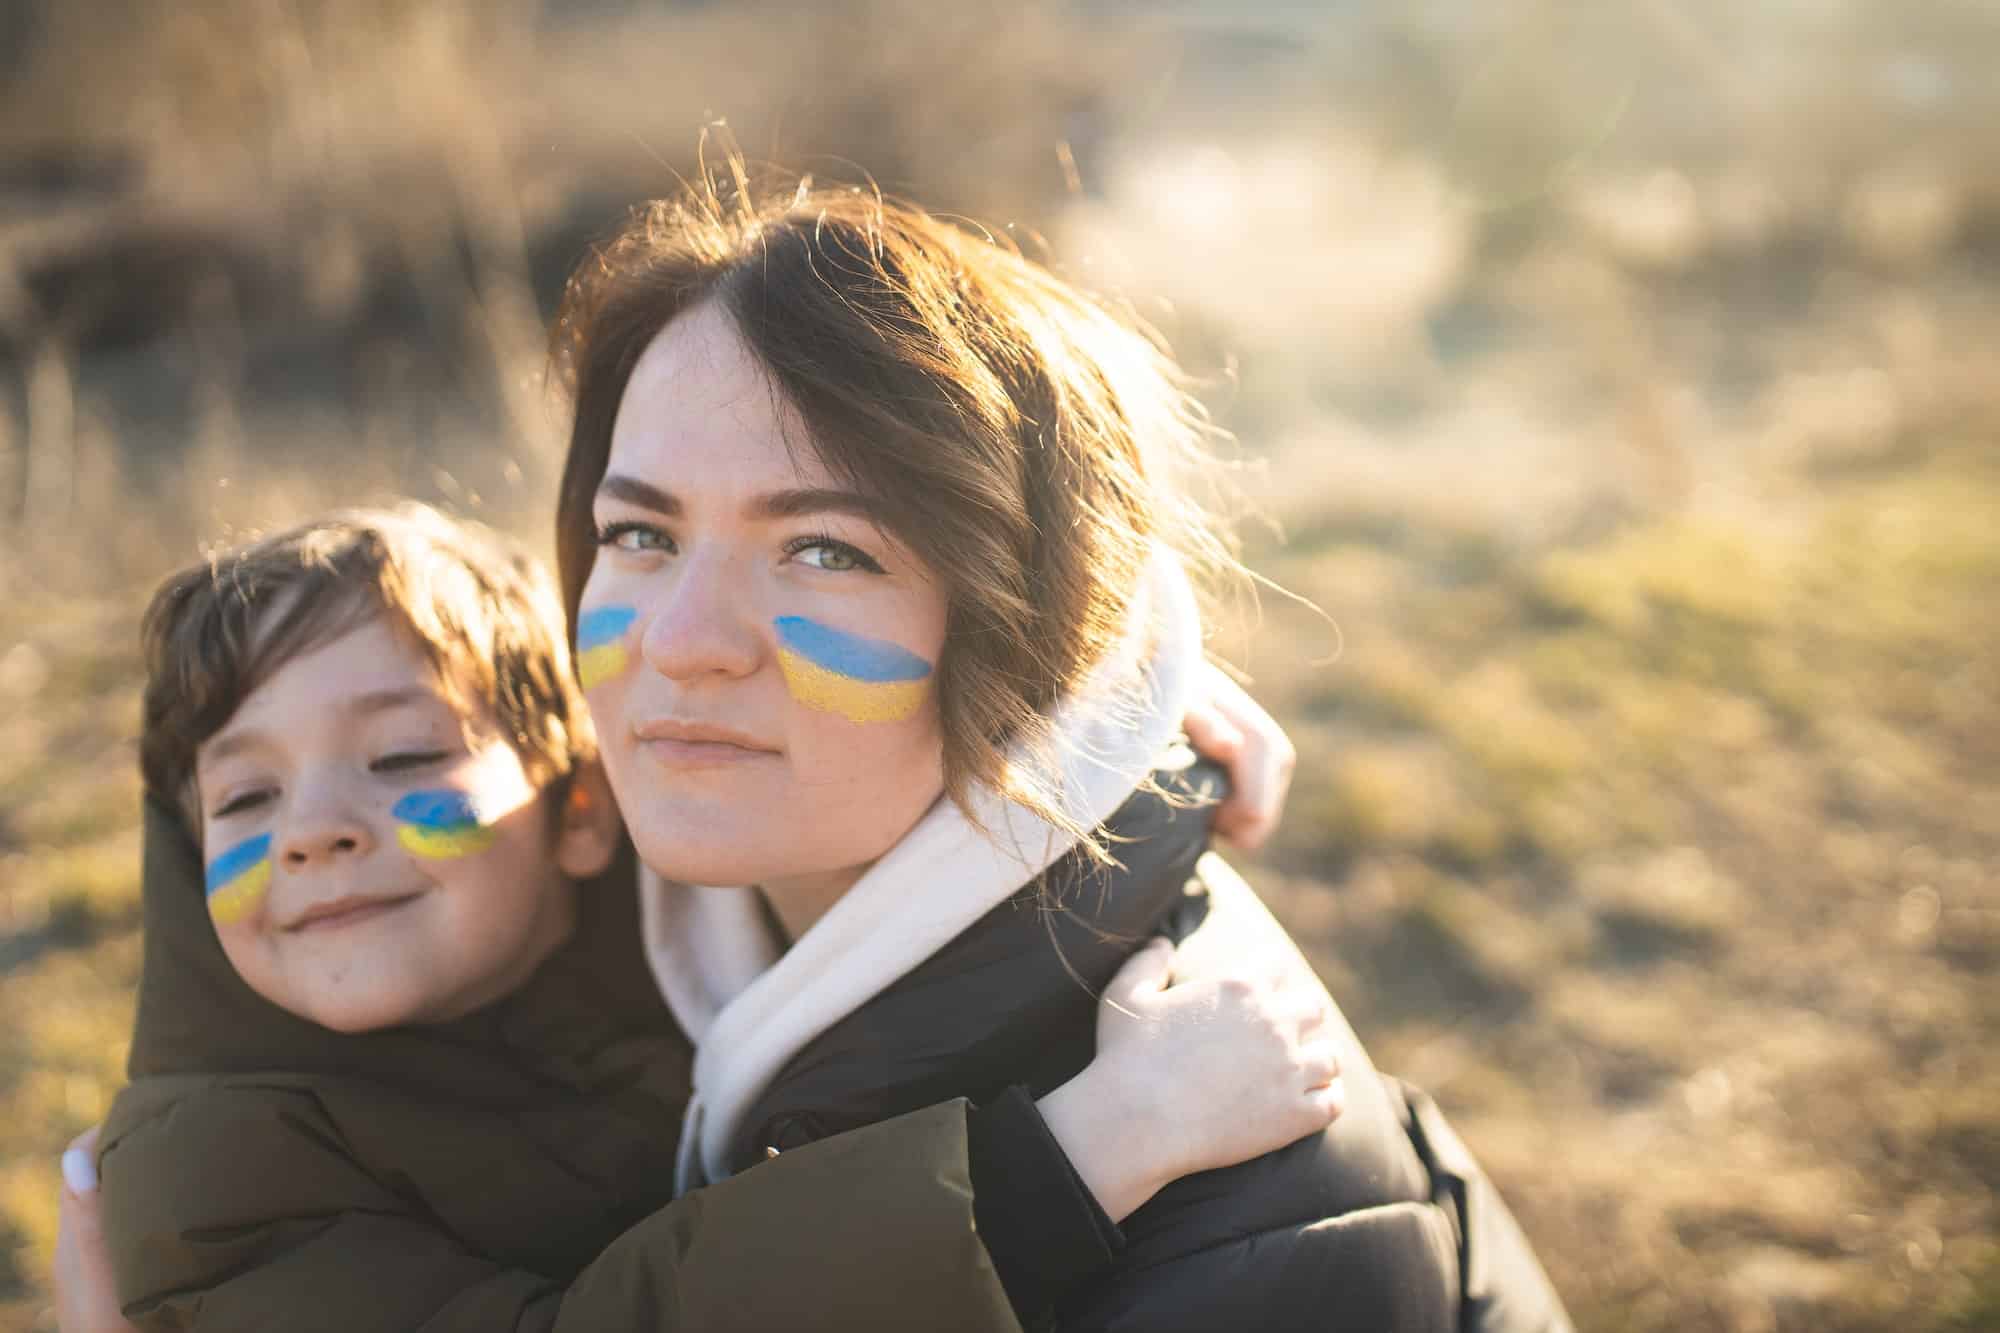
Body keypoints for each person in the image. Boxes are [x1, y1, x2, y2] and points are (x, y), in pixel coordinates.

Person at [545, 173, 1576, 1330]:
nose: (679, 643)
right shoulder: (557, 884)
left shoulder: (1228, 1226)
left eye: (825, 551)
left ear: (1041, 634)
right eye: (639, 532)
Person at [64, 505, 1342, 1333]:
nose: (313, 828)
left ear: (578, 810)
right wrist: (1087, 1151)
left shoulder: (658, 899)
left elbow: (809, 757)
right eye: (243, 792)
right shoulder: (216, 1165)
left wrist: (1114, 736)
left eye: (402, 760)